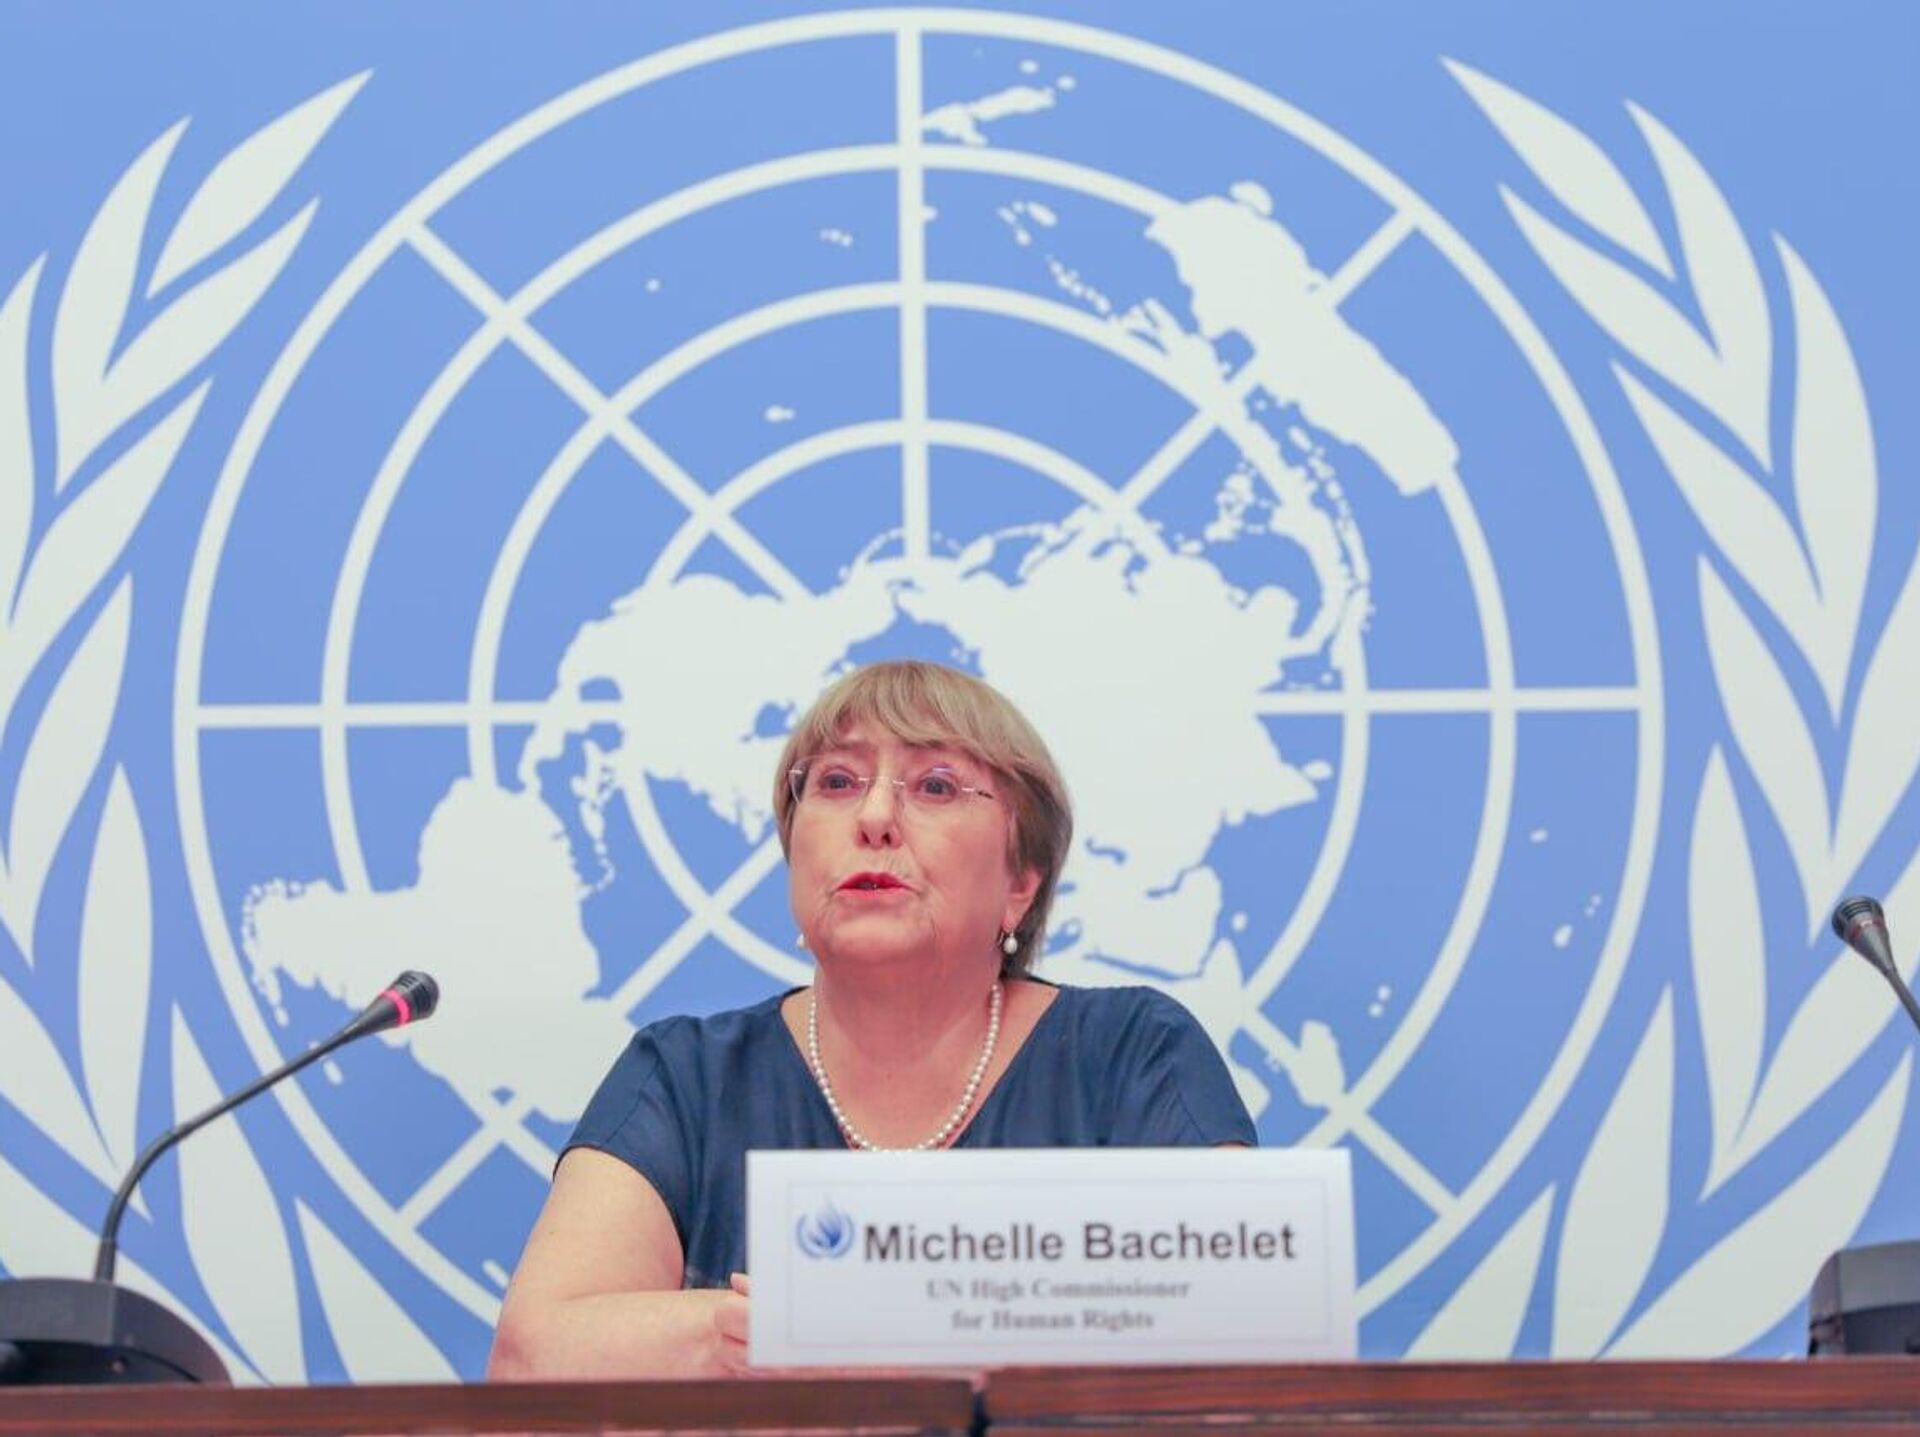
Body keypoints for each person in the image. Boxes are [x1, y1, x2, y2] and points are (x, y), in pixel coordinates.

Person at [488, 661, 1254, 1378]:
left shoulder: (1132, 1054)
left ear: (1020, 882)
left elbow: (1243, 1319)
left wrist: (876, 1322)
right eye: (837, 781)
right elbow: (532, 1355)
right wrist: (751, 1332)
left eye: (937, 786)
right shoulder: (688, 1074)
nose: (876, 815)